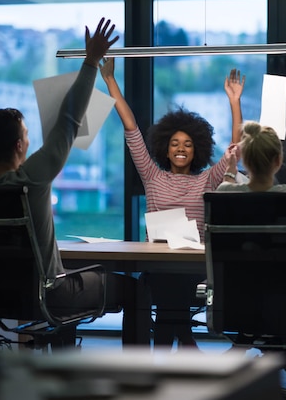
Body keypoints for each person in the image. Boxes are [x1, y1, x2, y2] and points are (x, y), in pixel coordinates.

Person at [0, 19, 144, 347]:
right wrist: (90, 62)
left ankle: (58, 361)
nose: (30, 140)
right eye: (27, 135)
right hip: (48, 293)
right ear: (19, 145)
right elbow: (69, 121)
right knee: (136, 289)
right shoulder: (31, 177)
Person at [100, 58, 243, 348]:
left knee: (169, 296)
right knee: (164, 288)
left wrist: (234, 102)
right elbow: (131, 129)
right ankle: (184, 343)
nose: (180, 148)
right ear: (165, 147)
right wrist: (109, 80)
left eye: (188, 144)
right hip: (159, 268)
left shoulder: (207, 180)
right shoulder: (152, 175)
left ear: (197, 149)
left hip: (193, 271)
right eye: (175, 143)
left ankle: (174, 347)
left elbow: (233, 150)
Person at [219, 121, 286, 394]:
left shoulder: (225, 195)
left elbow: (227, 186)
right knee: (274, 304)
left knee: (263, 302)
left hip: (234, 307)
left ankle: (244, 349)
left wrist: (229, 170)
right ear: (279, 160)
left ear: (244, 160)